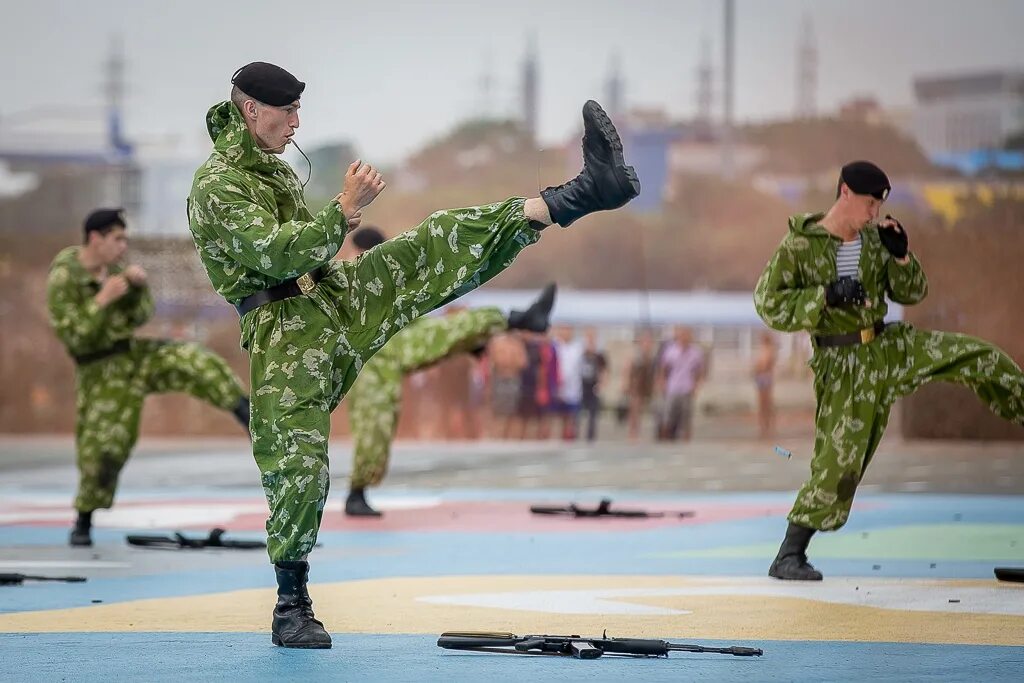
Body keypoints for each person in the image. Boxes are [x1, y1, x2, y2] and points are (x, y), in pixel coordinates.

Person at [186, 61, 639, 648]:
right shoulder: (217, 183)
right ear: (252, 110)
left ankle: (580, 194)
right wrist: (344, 211)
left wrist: (343, 236)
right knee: (299, 469)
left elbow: (310, 256)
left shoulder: (269, 169)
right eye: (288, 112)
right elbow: (275, 256)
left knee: (432, 242)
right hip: (283, 334)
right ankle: (291, 606)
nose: (297, 124)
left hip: (329, 297)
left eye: (299, 111)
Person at [754, 160, 1024, 582]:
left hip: (887, 345)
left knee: (980, 356)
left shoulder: (876, 240)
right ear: (845, 192)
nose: (873, 214)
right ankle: (789, 555)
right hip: (843, 365)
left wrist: (901, 257)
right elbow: (768, 304)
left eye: (879, 206)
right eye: (868, 204)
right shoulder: (799, 246)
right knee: (839, 464)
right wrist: (824, 295)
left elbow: (913, 291)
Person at [46, 209, 250, 548]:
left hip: (132, 354)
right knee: (105, 449)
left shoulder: (115, 271)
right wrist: (102, 299)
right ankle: (84, 518)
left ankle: (245, 412)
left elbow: (140, 316)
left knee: (194, 360)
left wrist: (137, 289)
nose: (123, 247)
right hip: (100, 369)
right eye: (117, 239)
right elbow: (74, 338)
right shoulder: (65, 276)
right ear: (95, 238)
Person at [339, 227, 557, 517]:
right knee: (376, 420)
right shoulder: (344, 277)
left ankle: (514, 319)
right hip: (368, 355)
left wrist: (462, 345)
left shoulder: (380, 279)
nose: (353, 256)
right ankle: (357, 492)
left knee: (445, 333)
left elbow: (410, 319)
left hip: (387, 346)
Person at [656, 326, 706, 441]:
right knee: (667, 416)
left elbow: (700, 370)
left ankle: (686, 441)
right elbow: (663, 368)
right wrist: (662, 382)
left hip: (687, 388)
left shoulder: (695, 353)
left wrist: (696, 385)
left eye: (687, 335)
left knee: (686, 418)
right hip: (672, 388)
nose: (684, 338)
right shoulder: (671, 351)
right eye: (682, 335)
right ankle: (665, 440)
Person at [623, 327, 659, 440]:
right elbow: (628, 370)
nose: (646, 344)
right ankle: (633, 436)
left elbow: (657, 373)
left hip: (648, 388)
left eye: (649, 341)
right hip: (637, 389)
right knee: (634, 413)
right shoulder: (636, 357)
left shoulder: (653, 358)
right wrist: (626, 385)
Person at [552, 325, 584, 440]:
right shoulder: (555, 346)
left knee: (571, 417)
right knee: (558, 417)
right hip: (558, 388)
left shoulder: (577, 348)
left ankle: (569, 438)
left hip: (573, 389)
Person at [578, 326, 608, 441]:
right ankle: (576, 437)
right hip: (582, 386)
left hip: (593, 387)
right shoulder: (581, 353)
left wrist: (601, 384)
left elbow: (604, 370)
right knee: (578, 414)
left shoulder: (599, 355)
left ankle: (590, 438)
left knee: (593, 414)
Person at [751, 329, 777, 439]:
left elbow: (764, 365)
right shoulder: (765, 349)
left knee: (765, 403)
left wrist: (756, 369)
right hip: (762, 377)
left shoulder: (769, 350)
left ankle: (766, 427)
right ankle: (764, 426)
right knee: (763, 404)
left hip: (764, 377)